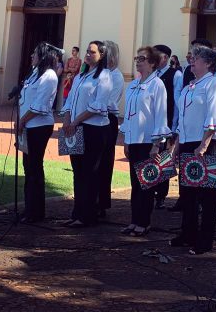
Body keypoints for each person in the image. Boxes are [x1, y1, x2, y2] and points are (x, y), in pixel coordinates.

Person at [170, 44, 216, 255]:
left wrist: (204, 144)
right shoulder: (190, 86)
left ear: (209, 63)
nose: (192, 61)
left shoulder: (214, 85)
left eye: (197, 59)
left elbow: (214, 116)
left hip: (205, 144)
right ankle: (188, 233)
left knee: (207, 195)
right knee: (188, 193)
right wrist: (177, 147)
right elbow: (182, 118)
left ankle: (205, 240)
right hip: (187, 142)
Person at [61, 40, 113, 227]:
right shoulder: (81, 76)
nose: (88, 54)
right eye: (87, 51)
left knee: (90, 172)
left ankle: (87, 214)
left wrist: (75, 121)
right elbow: (69, 101)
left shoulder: (104, 76)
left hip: (94, 129)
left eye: (92, 52)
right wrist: (67, 119)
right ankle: (77, 212)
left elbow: (98, 105)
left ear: (101, 55)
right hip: (76, 127)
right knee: (78, 171)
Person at [120, 46, 169, 236]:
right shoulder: (133, 84)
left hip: (148, 142)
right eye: (137, 58)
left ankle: (144, 222)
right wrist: (125, 140)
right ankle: (134, 220)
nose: (138, 61)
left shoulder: (157, 85)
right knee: (135, 183)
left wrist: (157, 144)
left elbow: (160, 115)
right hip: (134, 140)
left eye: (142, 58)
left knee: (146, 184)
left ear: (152, 63)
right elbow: (129, 117)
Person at [17, 43, 59, 224]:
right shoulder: (35, 73)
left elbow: (40, 105)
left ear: (43, 56)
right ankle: (29, 208)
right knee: (28, 167)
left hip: (39, 126)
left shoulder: (49, 76)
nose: (31, 55)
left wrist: (23, 120)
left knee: (34, 166)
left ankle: (36, 212)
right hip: (28, 125)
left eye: (34, 53)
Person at [98, 41, 126, 217]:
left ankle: (101, 202)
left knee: (104, 162)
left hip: (107, 119)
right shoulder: (98, 74)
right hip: (94, 118)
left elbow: (109, 102)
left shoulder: (116, 76)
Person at [153, 44, 178, 209]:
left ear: (165, 58)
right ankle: (151, 190)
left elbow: (176, 104)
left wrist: (174, 128)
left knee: (163, 159)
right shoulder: (151, 74)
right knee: (151, 159)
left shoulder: (175, 75)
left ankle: (161, 195)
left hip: (167, 123)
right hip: (151, 125)